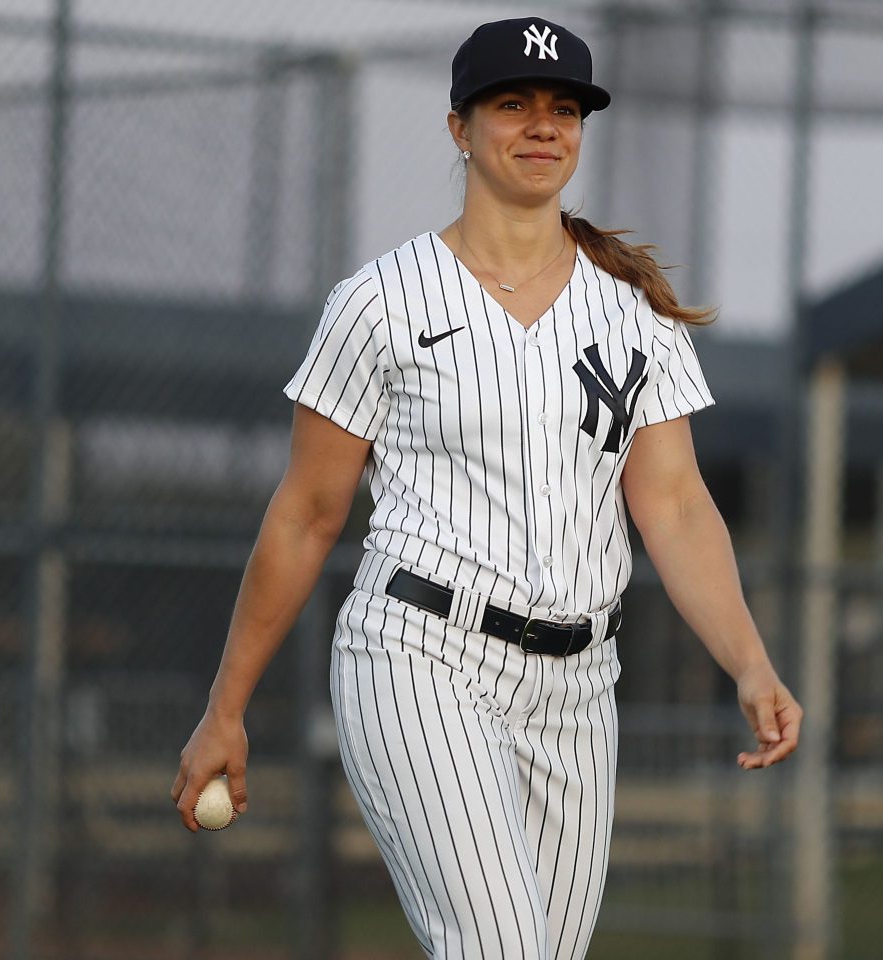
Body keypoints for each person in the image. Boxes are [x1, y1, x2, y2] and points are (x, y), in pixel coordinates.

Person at [171, 15, 802, 960]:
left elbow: (674, 506)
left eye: (564, 109)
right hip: (423, 656)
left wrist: (749, 662)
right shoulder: (381, 302)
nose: (543, 125)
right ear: (460, 128)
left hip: (580, 687)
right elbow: (306, 515)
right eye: (513, 104)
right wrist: (227, 708)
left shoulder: (635, 312)